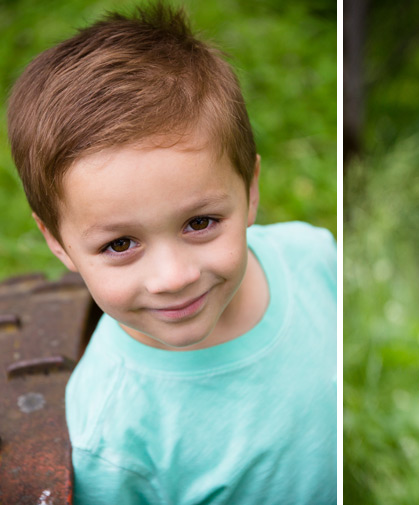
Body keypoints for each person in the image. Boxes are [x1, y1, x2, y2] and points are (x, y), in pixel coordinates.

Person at [5, 4, 336, 503]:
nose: (173, 276)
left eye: (199, 223)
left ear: (249, 191)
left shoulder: (312, 259)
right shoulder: (111, 433)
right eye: (120, 244)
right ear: (57, 242)